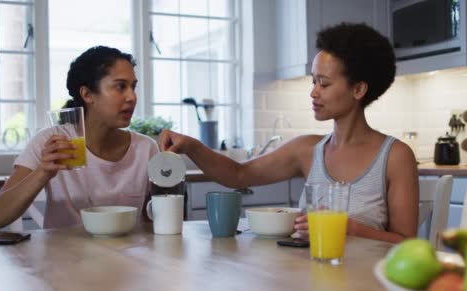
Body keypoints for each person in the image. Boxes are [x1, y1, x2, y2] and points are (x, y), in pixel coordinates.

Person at [159, 23, 419, 243]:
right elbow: (239, 175)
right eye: (313, 81)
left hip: (369, 287)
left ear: (358, 89)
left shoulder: (395, 156)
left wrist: (351, 230)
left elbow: (406, 243)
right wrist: (191, 147)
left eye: (324, 83)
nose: (314, 92)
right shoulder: (307, 150)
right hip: (311, 278)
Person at [0, 46, 158, 229]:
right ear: (87, 94)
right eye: (120, 86)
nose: (132, 97)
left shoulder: (146, 148)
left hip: (125, 255)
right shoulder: (52, 143)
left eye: (133, 87)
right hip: (63, 256)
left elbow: (154, 222)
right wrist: (43, 172)